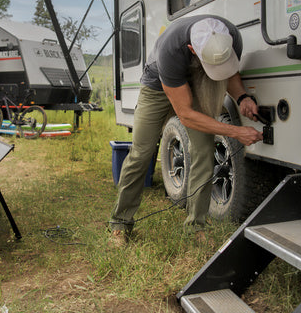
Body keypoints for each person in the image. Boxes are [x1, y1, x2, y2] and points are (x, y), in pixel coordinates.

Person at [109, 15, 263, 245]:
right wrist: (235, 132)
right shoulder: (171, 49)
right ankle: (120, 224)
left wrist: (242, 96)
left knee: (203, 150)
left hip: (199, 79)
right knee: (142, 153)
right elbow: (186, 115)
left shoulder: (231, 36)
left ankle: (195, 228)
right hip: (157, 87)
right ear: (192, 49)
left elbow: (228, 72)